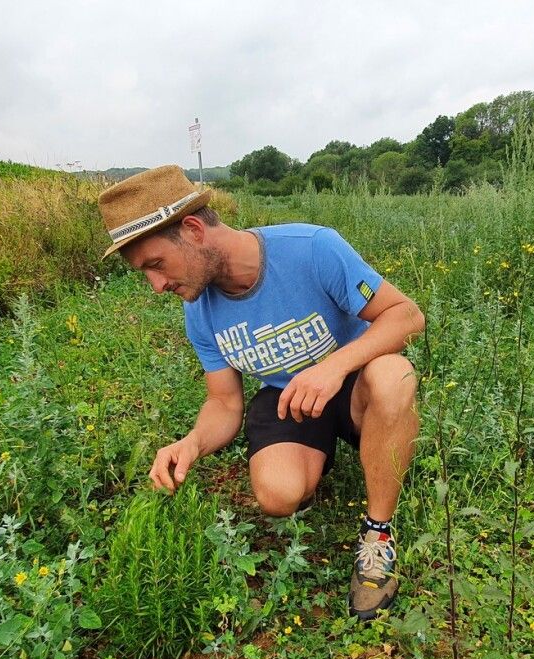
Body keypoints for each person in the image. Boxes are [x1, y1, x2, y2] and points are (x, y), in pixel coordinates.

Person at [99, 165, 423, 620]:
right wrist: (193, 442)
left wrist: (333, 367)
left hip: (355, 385)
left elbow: (407, 315)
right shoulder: (200, 311)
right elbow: (224, 402)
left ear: (193, 230)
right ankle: (321, 457)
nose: (156, 286)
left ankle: (378, 535)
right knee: (278, 495)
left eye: (156, 264)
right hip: (289, 398)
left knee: (394, 374)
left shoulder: (312, 249)